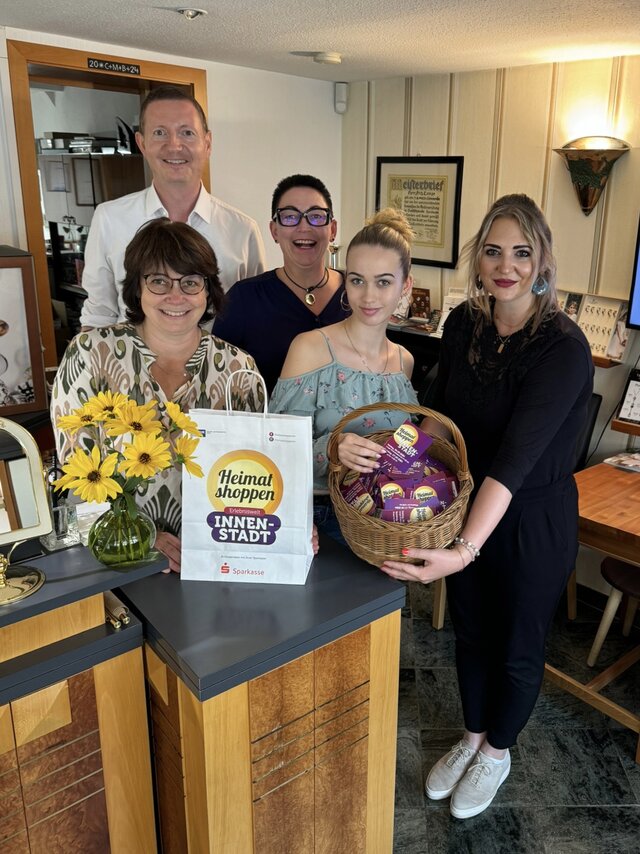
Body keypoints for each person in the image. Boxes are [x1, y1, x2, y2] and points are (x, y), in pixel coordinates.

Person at [381, 194, 594, 819]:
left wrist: (462, 549)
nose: (507, 266)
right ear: (478, 259)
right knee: (471, 633)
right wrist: (399, 470)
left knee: (517, 645)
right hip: (469, 506)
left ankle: (498, 752)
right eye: (494, 251)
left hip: (532, 519)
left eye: (522, 253)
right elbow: (439, 419)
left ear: (543, 260)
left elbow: (515, 461)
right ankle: (472, 738)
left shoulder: (563, 348)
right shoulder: (465, 325)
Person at [53, 218, 264, 573]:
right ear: (138, 288)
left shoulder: (238, 369)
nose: (176, 296)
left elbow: (257, 469)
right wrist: (143, 535)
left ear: (208, 291)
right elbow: (77, 480)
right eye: (158, 281)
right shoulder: (90, 354)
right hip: (120, 556)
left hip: (222, 556)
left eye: (190, 282)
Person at [270, 208, 418, 540]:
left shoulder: (403, 362)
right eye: (357, 280)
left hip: (386, 521)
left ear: (405, 285)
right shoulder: (310, 349)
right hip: (316, 519)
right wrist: (333, 448)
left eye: (383, 282)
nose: (368, 296)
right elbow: (274, 449)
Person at [79, 85, 265, 328]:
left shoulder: (243, 229)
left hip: (219, 363)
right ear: (142, 143)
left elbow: (254, 313)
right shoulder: (109, 219)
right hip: (131, 364)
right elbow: (98, 314)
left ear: (207, 143)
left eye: (187, 133)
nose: (174, 145)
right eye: (160, 133)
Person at [212, 174, 350, 393]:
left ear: (332, 229)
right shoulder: (244, 299)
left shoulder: (357, 292)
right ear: (274, 231)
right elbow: (218, 380)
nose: (304, 227)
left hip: (353, 427)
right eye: (289, 217)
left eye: (316, 216)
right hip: (268, 426)